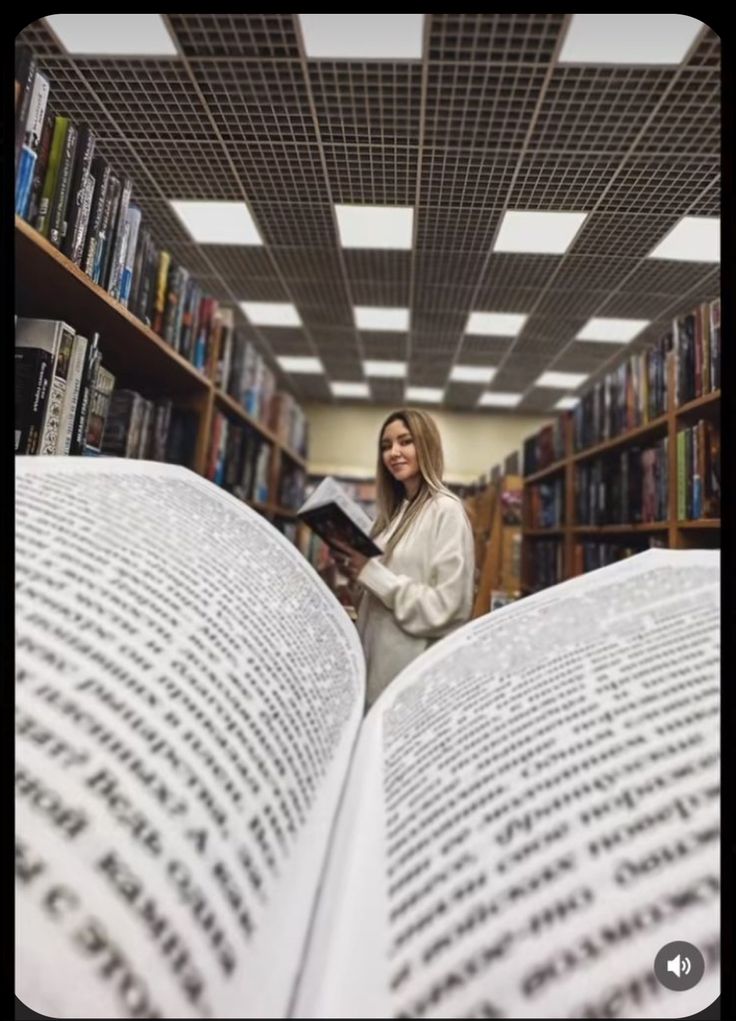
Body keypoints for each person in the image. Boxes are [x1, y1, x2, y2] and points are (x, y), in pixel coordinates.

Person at [331, 408, 475, 710]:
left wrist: (372, 574)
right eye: (386, 446)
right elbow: (375, 604)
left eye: (405, 441)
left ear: (426, 445)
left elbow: (450, 608)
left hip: (408, 683)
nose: (393, 453)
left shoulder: (446, 510)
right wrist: (353, 572)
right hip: (372, 675)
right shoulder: (389, 518)